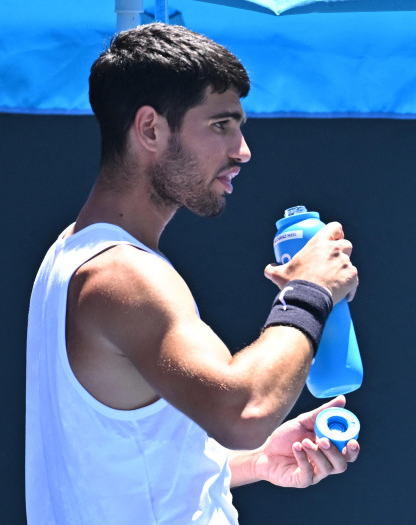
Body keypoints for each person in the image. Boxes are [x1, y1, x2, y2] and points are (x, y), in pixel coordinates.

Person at [25, 23, 361, 524]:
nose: (242, 150)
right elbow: (244, 412)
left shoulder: (69, 254)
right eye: (221, 124)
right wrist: (309, 290)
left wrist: (255, 461)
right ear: (151, 129)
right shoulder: (123, 274)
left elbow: (118, 467)